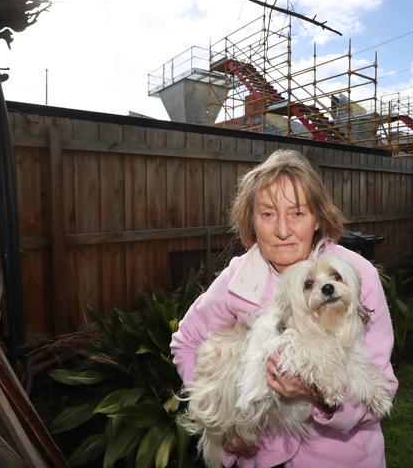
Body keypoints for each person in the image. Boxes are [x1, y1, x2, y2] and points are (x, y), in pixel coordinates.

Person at [170, 149, 398, 467]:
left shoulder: (355, 276)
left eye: (297, 213)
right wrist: (221, 425)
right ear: (251, 220)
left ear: (317, 218)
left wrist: (319, 397)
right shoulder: (239, 277)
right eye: (267, 214)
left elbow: (380, 391)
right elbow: (187, 341)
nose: (282, 229)